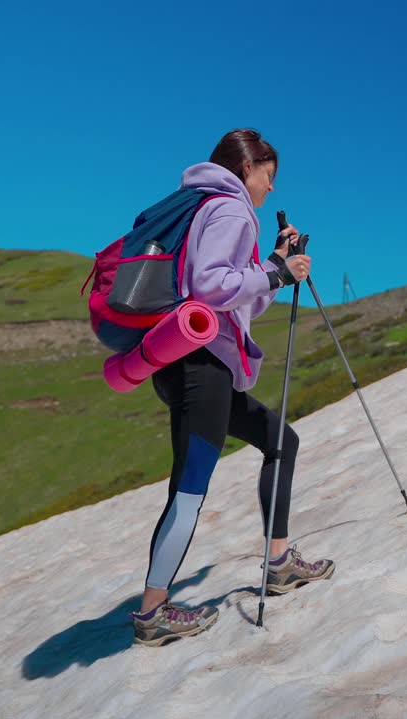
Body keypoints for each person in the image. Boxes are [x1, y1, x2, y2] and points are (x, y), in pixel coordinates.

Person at [128, 129, 335, 647]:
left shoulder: (200, 204)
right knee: (190, 488)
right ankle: (152, 613)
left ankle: (280, 561)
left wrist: (272, 268)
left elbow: (233, 299)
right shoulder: (232, 207)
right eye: (269, 176)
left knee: (280, 441)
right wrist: (278, 275)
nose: (270, 189)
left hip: (187, 359)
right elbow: (211, 285)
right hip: (202, 367)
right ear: (249, 167)